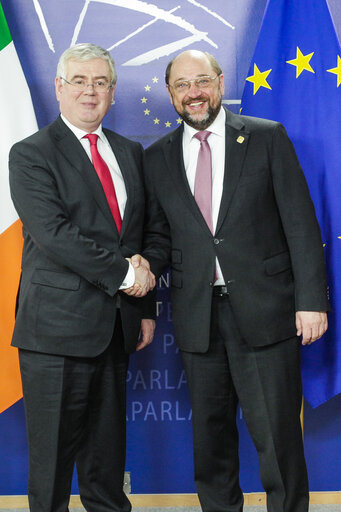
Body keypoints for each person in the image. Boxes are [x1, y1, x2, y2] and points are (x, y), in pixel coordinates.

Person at [142, 50, 329, 512]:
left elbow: (300, 224)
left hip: (267, 310)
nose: (194, 93)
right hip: (197, 318)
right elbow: (159, 238)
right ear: (170, 93)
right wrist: (142, 270)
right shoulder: (156, 157)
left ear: (221, 83)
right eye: (182, 85)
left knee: (278, 436)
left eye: (202, 81)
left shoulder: (266, 138)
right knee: (210, 437)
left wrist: (311, 300)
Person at [9, 43, 155, 512]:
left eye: (100, 82)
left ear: (112, 91)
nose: (89, 91)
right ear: (59, 87)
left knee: (106, 463)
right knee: (51, 467)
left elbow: (145, 230)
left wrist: (144, 302)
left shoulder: (131, 152)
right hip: (55, 330)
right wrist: (124, 275)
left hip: (116, 327)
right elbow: (54, 234)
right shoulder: (31, 153)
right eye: (79, 81)